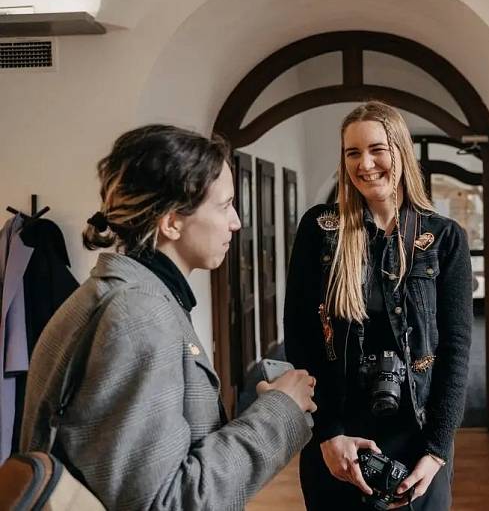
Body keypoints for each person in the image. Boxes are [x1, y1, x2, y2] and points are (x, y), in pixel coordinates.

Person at [20, 125, 317, 510]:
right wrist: (279, 413)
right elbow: (166, 502)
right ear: (171, 221)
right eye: (225, 205)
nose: (237, 222)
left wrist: (260, 408)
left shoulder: (127, 293)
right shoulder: (138, 316)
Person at [284, 101, 472, 510]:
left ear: (400, 151)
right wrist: (327, 434)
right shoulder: (320, 230)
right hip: (339, 435)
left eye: (376, 149)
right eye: (352, 153)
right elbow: (300, 340)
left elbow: (455, 352)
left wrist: (438, 449)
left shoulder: (444, 238)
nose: (365, 164)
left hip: (418, 436)